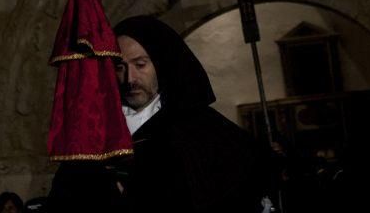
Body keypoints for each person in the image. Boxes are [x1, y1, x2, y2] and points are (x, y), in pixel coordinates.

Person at [112, 15, 277, 213]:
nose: (130, 79)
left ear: (161, 64)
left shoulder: (202, 129)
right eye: (120, 67)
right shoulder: (100, 129)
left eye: (140, 65)